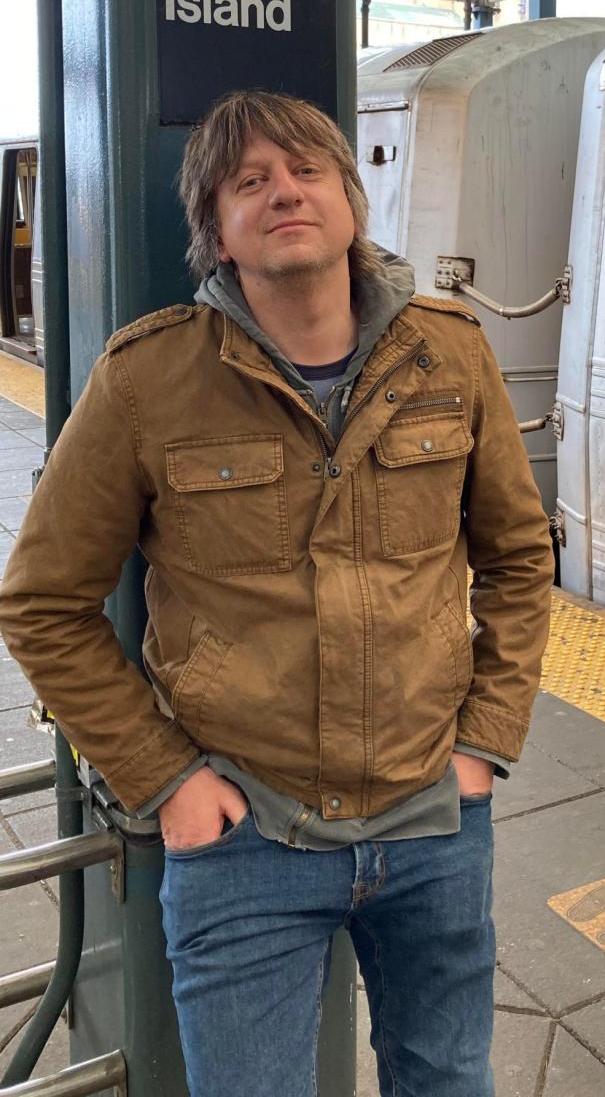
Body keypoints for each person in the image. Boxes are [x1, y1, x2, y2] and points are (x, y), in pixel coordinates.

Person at [0, 89, 555, 1097]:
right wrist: (166, 781)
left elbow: (519, 556)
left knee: (450, 1082)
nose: (283, 192)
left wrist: (484, 744)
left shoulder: (452, 351)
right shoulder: (147, 380)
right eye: (248, 181)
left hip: (435, 816)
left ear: (352, 200)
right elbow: (41, 601)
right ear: (217, 232)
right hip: (244, 833)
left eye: (307, 171)